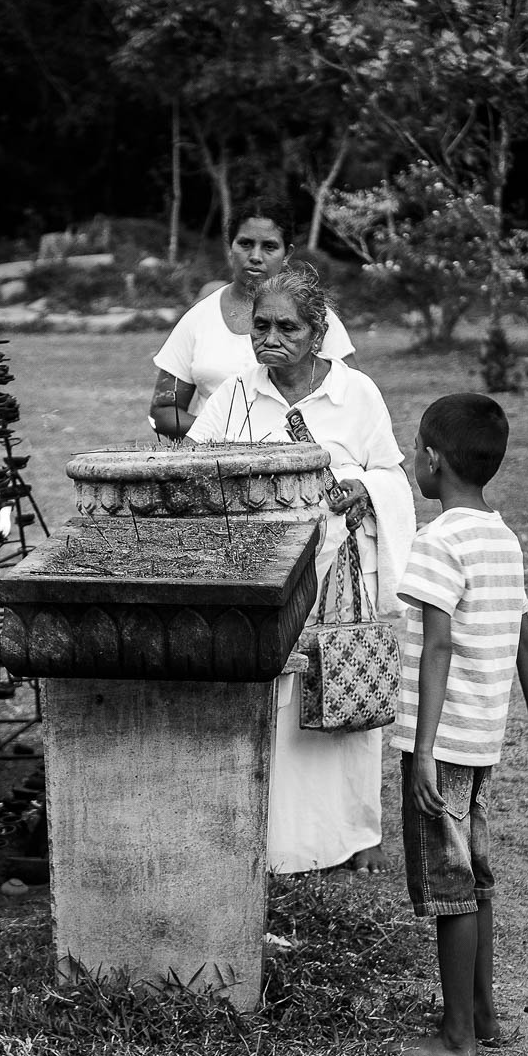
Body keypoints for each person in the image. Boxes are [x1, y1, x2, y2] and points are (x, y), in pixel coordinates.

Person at [185, 266, 415, 874]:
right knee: (273, 703)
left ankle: (352, 836)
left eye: (287, 327)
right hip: (261, 576)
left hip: (336, 576)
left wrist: (359, 486)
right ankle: (276, 844)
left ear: (318, 333)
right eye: (261, 326)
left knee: (341, 690)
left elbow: (393, 476)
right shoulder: (236, 393)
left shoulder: (356, 393)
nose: (270, 338)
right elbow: (193, 464)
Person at [389, 393, 528, 1056]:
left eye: (415, 450)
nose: (412, 459)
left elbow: (437, 648)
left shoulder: (438, 541)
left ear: (433, 460)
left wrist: (425, 752)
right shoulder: (501, 536)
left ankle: (456, 1037)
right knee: (476, 880)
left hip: (442, 747)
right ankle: (485, 1017)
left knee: (450, 888)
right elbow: (527, 645)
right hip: (482, 739)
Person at [148, 195, 356, 439]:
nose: (256, 256)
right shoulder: (200, 317)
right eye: (245, 244)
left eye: (269, 246)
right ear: (230, 247)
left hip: (301, 457)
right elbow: (163, 411)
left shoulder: (314, 317)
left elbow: (354, 398)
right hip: (216, 462)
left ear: (286, 253)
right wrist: (227, 435)